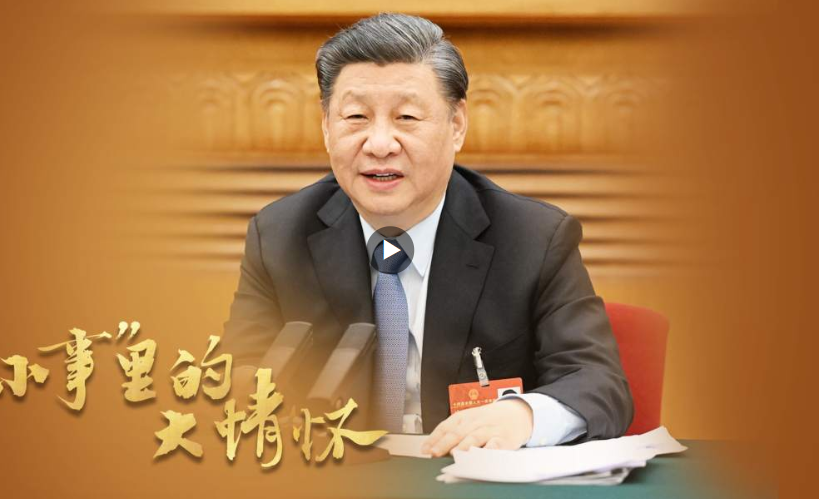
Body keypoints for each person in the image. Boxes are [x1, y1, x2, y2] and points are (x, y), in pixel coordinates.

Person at [223, 12, 632, 457]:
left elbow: (598, 382)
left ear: (456, 125)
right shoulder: (279, 236)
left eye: (407, 117)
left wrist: (522, 415)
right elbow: (239, 374)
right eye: (356, 116)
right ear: (326, 126)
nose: (380, 144)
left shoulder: (533, 239)